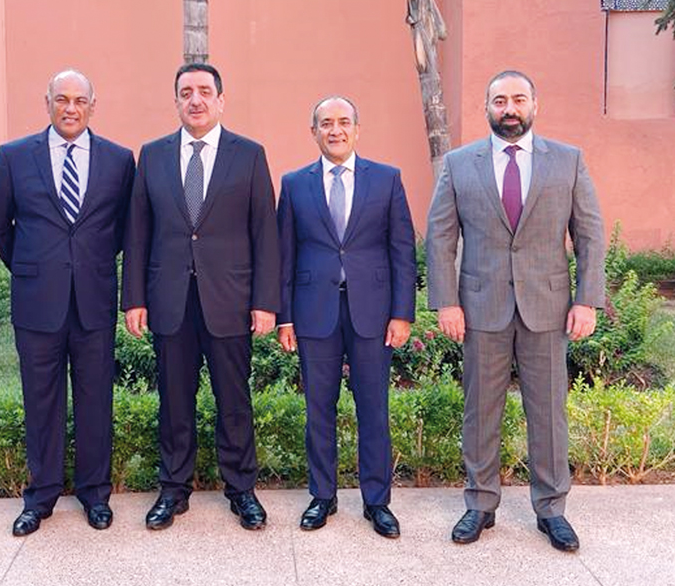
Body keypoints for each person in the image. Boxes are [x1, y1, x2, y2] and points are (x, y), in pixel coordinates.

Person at [425, 70, 605, 552]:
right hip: (481, 307)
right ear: (487, 107)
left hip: (548, 308)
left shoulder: (567, 161)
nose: (510, 107)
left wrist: (587, 299)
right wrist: (445, 301)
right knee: (480, 411)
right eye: (500, 99)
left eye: (518, 99)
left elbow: (589, 235)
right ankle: (480, 504)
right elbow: (440, 237)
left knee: (548, 413)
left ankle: (552, 509)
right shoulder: (460, 164)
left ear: (534, 105)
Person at [121, 62, 280, 531]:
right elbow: (137, 232)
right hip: (170, 299)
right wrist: (133, 298)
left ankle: (242, 490)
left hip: (230, 300)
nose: (196, 99)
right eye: (186, 91)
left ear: (220, 100)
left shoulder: (248, 155)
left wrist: (266, 301)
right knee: (174, 400)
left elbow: (264, 233)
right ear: (175, 101)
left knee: (234, 400)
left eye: (204, 91)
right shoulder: (151, 156)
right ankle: (173, 489)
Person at [0, 69, 134, 536]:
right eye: (61, 99)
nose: (70, 108)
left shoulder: (118, 160)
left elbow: (126, 227)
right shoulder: (13, 156)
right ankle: (41, 496)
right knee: (41, 402)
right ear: (46, 102)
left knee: (94, 401)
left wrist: (89, 263)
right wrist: (30, 265)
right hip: (37, 302)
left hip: (94, 300)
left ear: (92, 105)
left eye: (79, 100)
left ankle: (94, 494)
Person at [277, 96, 416, 538]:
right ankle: (323, 496)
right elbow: (285, 254)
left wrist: (402, 312)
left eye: (342, 123)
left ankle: (377, 502)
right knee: (319, 408)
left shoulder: (387, 179)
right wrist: (284, 317)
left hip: (373, 314)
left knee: (373, 408)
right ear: (313, 131)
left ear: (358, 128)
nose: (334, 130)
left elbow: (402, 251)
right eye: (325, 124)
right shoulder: (295, 183)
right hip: (313, 311)